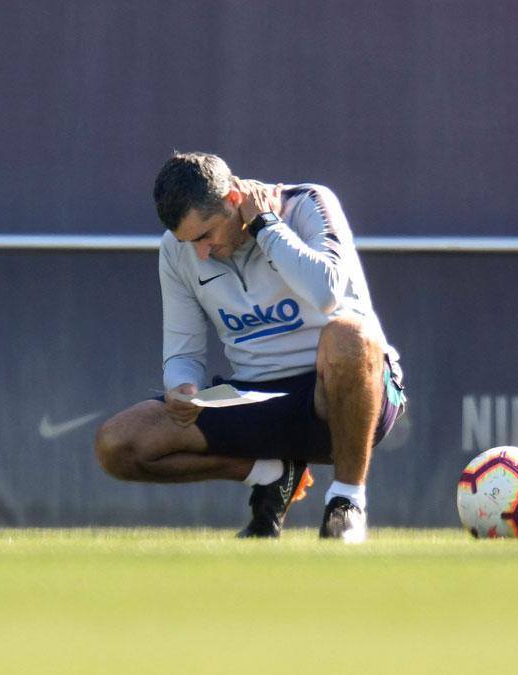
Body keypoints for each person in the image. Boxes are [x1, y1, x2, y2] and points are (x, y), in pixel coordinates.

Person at [94, 152, 405, 542]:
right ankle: (271, 473)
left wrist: (266, 226)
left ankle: (346, 503)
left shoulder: (307, 202)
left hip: (343, 396)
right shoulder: (178, 250)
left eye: (206, 235)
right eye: (188, 242)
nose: (200, 252)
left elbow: (326, 293)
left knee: (350, 335)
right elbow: (182, 352)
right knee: (117, 444)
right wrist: (182, 386)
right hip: (257, 398)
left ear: (234, 200)